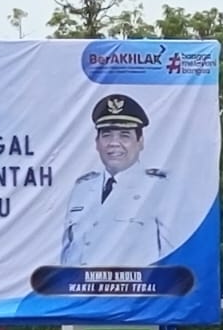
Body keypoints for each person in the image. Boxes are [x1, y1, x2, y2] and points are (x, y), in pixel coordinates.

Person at [59, 94, 170, 266]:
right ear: (97, 142)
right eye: (107, 135)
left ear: (140, 141)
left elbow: (174, 255)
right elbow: (68, 254)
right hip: (80, 290)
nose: (114, 143)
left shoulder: (160, 188)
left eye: (124, 135)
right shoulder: (82, 188)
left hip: (135, 291)